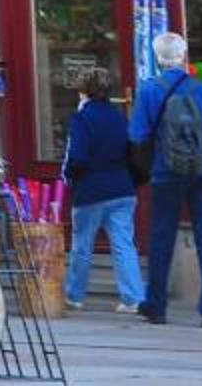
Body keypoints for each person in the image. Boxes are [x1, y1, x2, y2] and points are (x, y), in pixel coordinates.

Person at [128, 30, 202, 328]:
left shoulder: (149, 91)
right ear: (183, 57)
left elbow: (137, 135)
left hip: (166, 171)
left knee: (161, 237)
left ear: (158, 58)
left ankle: (156, 306)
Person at [59, 68, 146, 313]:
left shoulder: (82, 118)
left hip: (91, 190)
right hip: (122, 188)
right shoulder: (119, 117)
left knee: (82, 246)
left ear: (83, 91)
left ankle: (74, 295)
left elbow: (77, 156)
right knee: (124, 244)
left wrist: (70, 176)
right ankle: (133, 297)